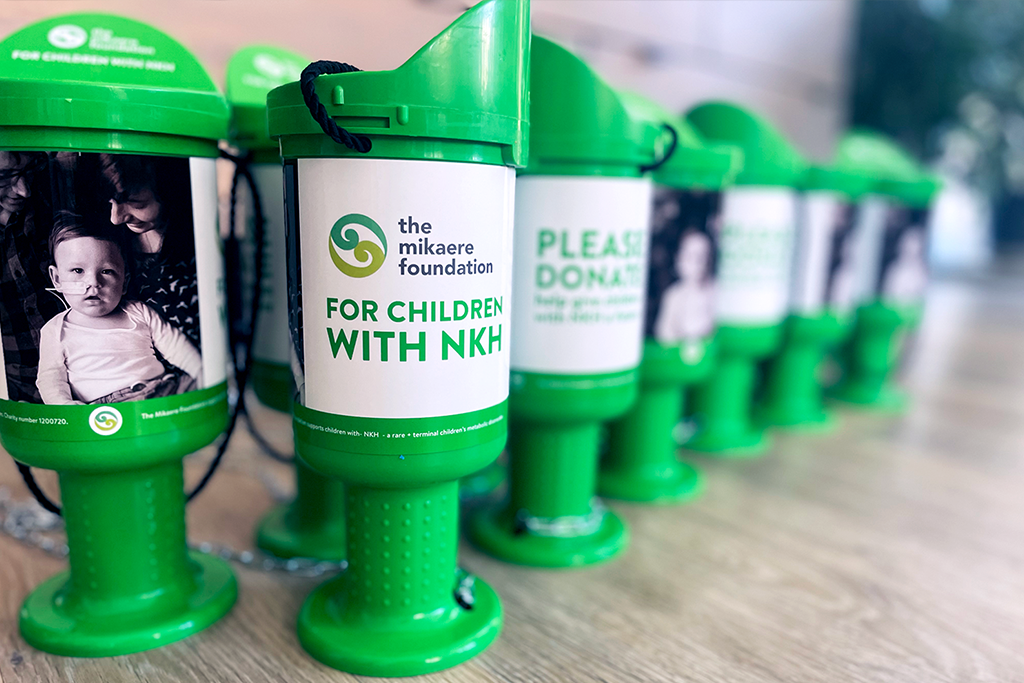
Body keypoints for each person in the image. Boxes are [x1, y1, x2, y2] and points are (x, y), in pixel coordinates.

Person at [36, 216, 201, 405]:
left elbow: (176, 346)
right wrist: (66, 406)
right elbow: (50, 379)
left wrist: (202, 372)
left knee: (198, 387)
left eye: (106, 271)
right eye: (78, 271)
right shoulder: (55, 330)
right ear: (57, 279)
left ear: (124, 281)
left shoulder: (138, 311)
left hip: (158, 390)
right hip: (106, 407)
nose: (93, 283)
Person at [98, 154, 201, 347]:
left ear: (170, 189)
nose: (116, 218)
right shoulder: (110, 238)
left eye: (136, 203)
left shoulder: (202, 241)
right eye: (111, 202)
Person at [0, 151, 63, 402]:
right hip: (14, 394)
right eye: (3, 176)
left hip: (85, 382)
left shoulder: (54, 197)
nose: (24, 190)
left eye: (30, 169)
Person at [654, 228, 716, 344]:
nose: (697, 263)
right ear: (679, 259)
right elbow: (664, 334)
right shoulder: (673, 295)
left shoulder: (714, 293)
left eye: (702, 256)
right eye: (690, 256)